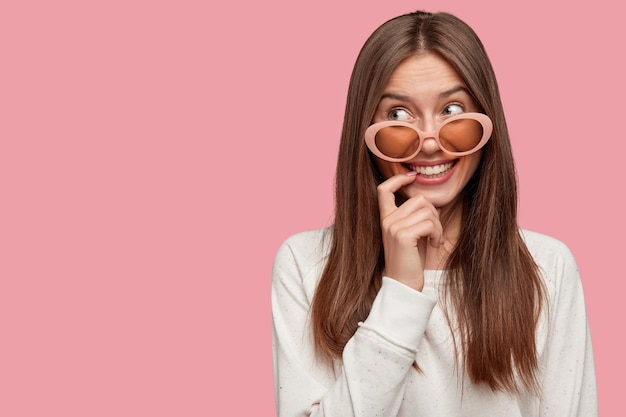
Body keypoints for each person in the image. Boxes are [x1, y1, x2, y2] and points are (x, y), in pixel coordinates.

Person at [271, 10, 597, 417]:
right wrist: (401, 292)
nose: (429, 144)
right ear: (365, 129)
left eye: (453, 110)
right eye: (398, 115)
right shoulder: (306, 265)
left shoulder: (547, 267)